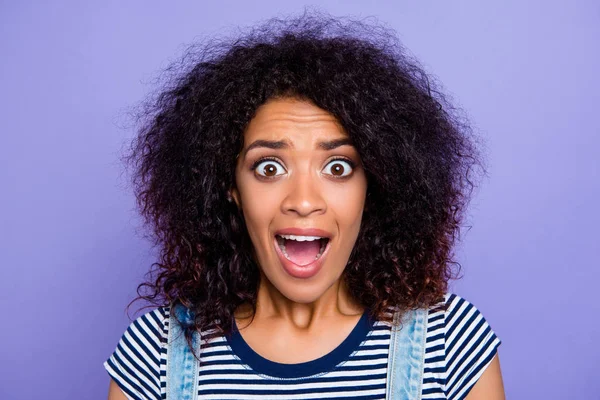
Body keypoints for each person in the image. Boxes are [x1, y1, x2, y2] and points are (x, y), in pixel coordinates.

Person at [105, 12, 505, 400]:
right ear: (230, 186)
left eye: (337, 166)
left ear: (376, 184)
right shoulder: (154, 356)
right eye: (268, 167)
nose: (303, 201)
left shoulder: (449, 345)